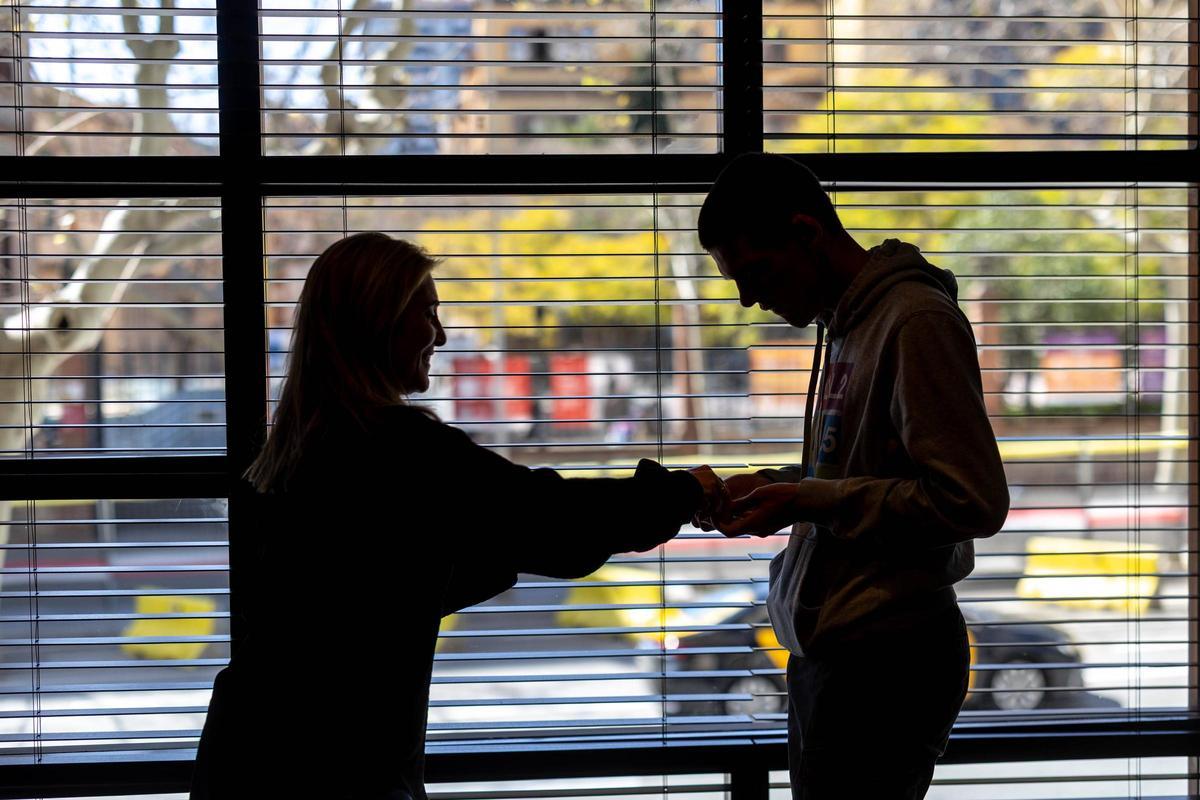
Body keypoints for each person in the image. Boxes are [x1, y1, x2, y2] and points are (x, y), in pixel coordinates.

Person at [190, 232, 729, 800]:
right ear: (380, 322)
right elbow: (556, 520)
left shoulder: (304, 446)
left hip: (251, 754)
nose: (441, 336)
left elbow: (386, 581)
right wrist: (684, 491)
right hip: (329, 769)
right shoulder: (399, 448)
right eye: (428, 313)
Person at [694, 153, 1010, 799]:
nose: (748, 298)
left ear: (808, 233)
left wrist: (811, 496)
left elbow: (971, 500)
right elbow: (859, 471)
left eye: (755, 272)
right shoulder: (843, 325)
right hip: (842, 654)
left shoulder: (914, 321)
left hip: (886, 662)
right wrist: (780, 484)